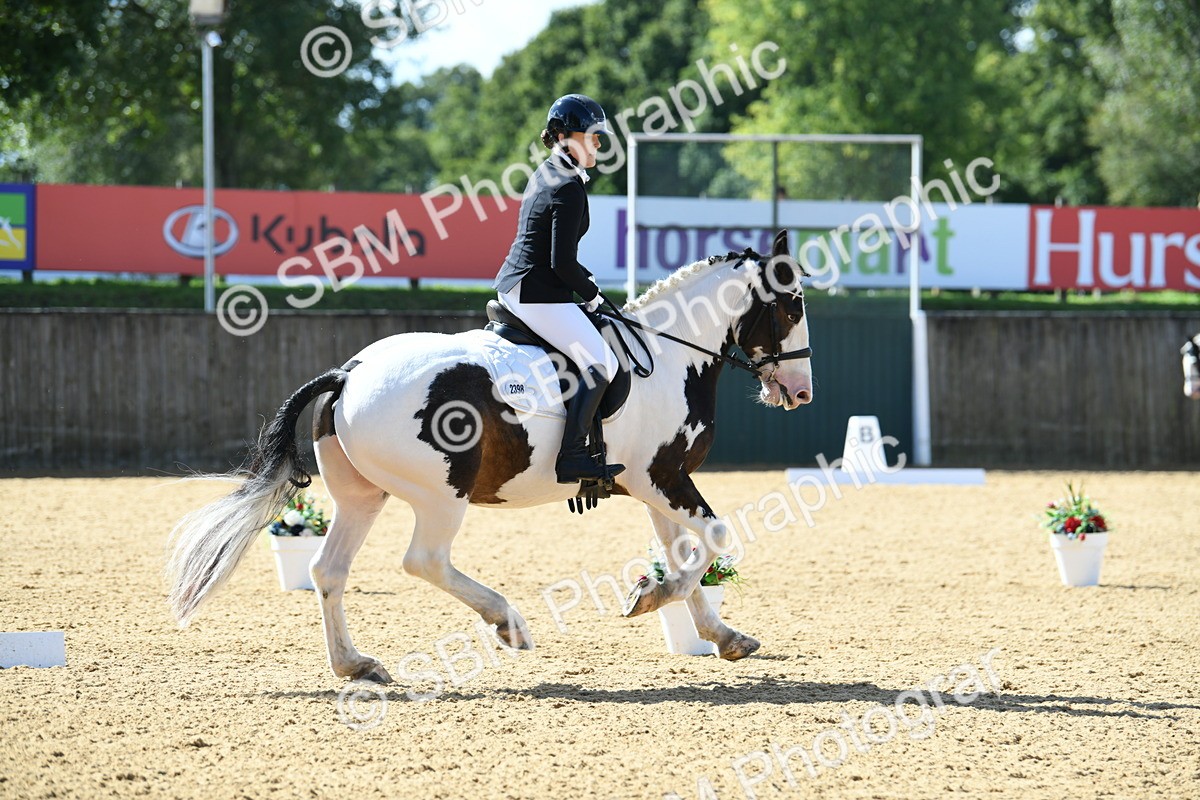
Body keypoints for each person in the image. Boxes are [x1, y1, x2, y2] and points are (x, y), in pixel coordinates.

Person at [492, 93, 624, 484]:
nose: (598, 142)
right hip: (537, 293)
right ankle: (573, 457)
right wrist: (592, 295)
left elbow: (556, 258)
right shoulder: (567, 186)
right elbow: (560, 263)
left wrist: (586, 281)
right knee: (602, 363)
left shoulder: (550, 172)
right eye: (592, 135)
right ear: (564, 136)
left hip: (523, 286)